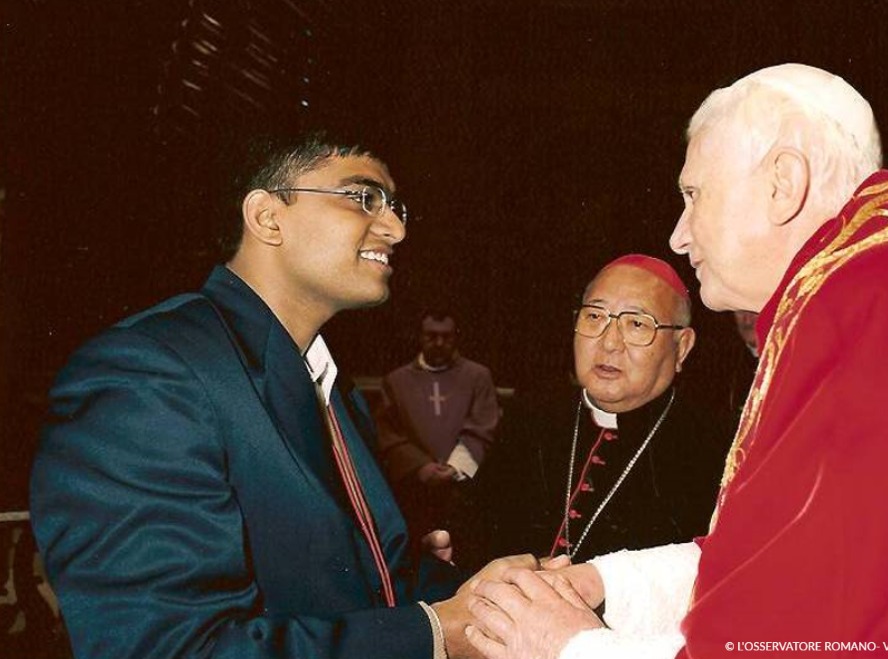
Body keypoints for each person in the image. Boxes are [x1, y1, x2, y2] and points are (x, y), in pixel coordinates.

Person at [466, 63, 888, 658]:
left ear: (781, 182)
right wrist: (604, 582)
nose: (679, 236)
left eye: (693, 195)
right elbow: (786, 559)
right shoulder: (886, 286)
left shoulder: (879, 302)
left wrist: (569, 647)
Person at [30, 129, 533, 659]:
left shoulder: (328, 385)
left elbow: (368, 587)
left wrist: (497, 597)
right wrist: (432, 634)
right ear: (268, 217)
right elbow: (166, 648)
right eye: (365, 197)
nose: (396, 228)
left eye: (396, 206)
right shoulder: (149, 371)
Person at [495, 255, 724, 562]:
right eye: (594, 317)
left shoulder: (716, 451)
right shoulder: (529, 421)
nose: (609, 343)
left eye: (637, 324)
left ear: (681, 347)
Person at [377, 310, 500, 570]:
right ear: (420, 337)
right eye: (432, 336)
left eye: (446, 336)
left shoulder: (477, 376)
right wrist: (420, 467)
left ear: (456, 338)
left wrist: (456, 467)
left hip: (464, 488)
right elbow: (388, 432)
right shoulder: (396, 381)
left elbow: (483, 423)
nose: (439, 343)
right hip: (416, 488)